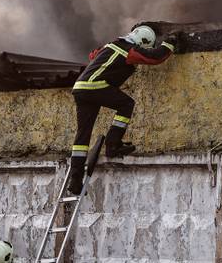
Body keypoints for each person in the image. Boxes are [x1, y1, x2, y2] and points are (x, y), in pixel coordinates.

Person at [67, 24, 179, 195]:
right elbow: (155, 58)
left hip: (81, 88)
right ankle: (113, 145)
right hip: (96, 86)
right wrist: (170, 43)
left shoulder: (110, 46)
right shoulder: (129, 50)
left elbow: (93, 55)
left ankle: (75, 181)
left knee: (83, 135)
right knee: (126, 104)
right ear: (143, 42)